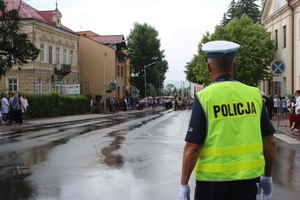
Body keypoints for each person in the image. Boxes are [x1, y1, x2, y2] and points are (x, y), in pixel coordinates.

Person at [179, 41, 276, 200]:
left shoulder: (204, 97)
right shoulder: (254, 95)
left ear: (209, 67)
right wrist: (268, 176)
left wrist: (184, 184)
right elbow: (270, 141)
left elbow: (193, 147)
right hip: (247, 181)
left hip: (211, 183)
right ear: (234, 66)